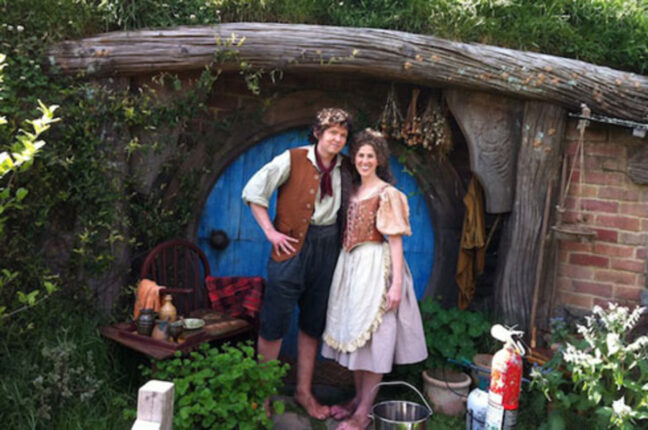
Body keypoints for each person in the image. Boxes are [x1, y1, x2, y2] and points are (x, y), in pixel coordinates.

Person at [241, 107, 352, 420]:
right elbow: (253, 192)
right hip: (290, 248)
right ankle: (262, 395)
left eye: (343, 135)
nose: (337, 139)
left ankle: (304, 392)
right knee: (274, 321)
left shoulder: (346, 167)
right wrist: (270, 232)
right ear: (318, 133)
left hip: (328, 247)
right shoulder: (291, 159)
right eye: (332, 132)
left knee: (313, 323)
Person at [322, 129, 428, 430]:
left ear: (379, 159)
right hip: (350, 266)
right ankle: (358, 400)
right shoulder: (353, 191)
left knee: (374, 342)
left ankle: (364, 413)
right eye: (360, 155)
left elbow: (395, 241)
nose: (365, 160)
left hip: (375, 268)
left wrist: (395, 285)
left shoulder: (387, 194)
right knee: (358, 338)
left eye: (370, 155)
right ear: (354, 158)